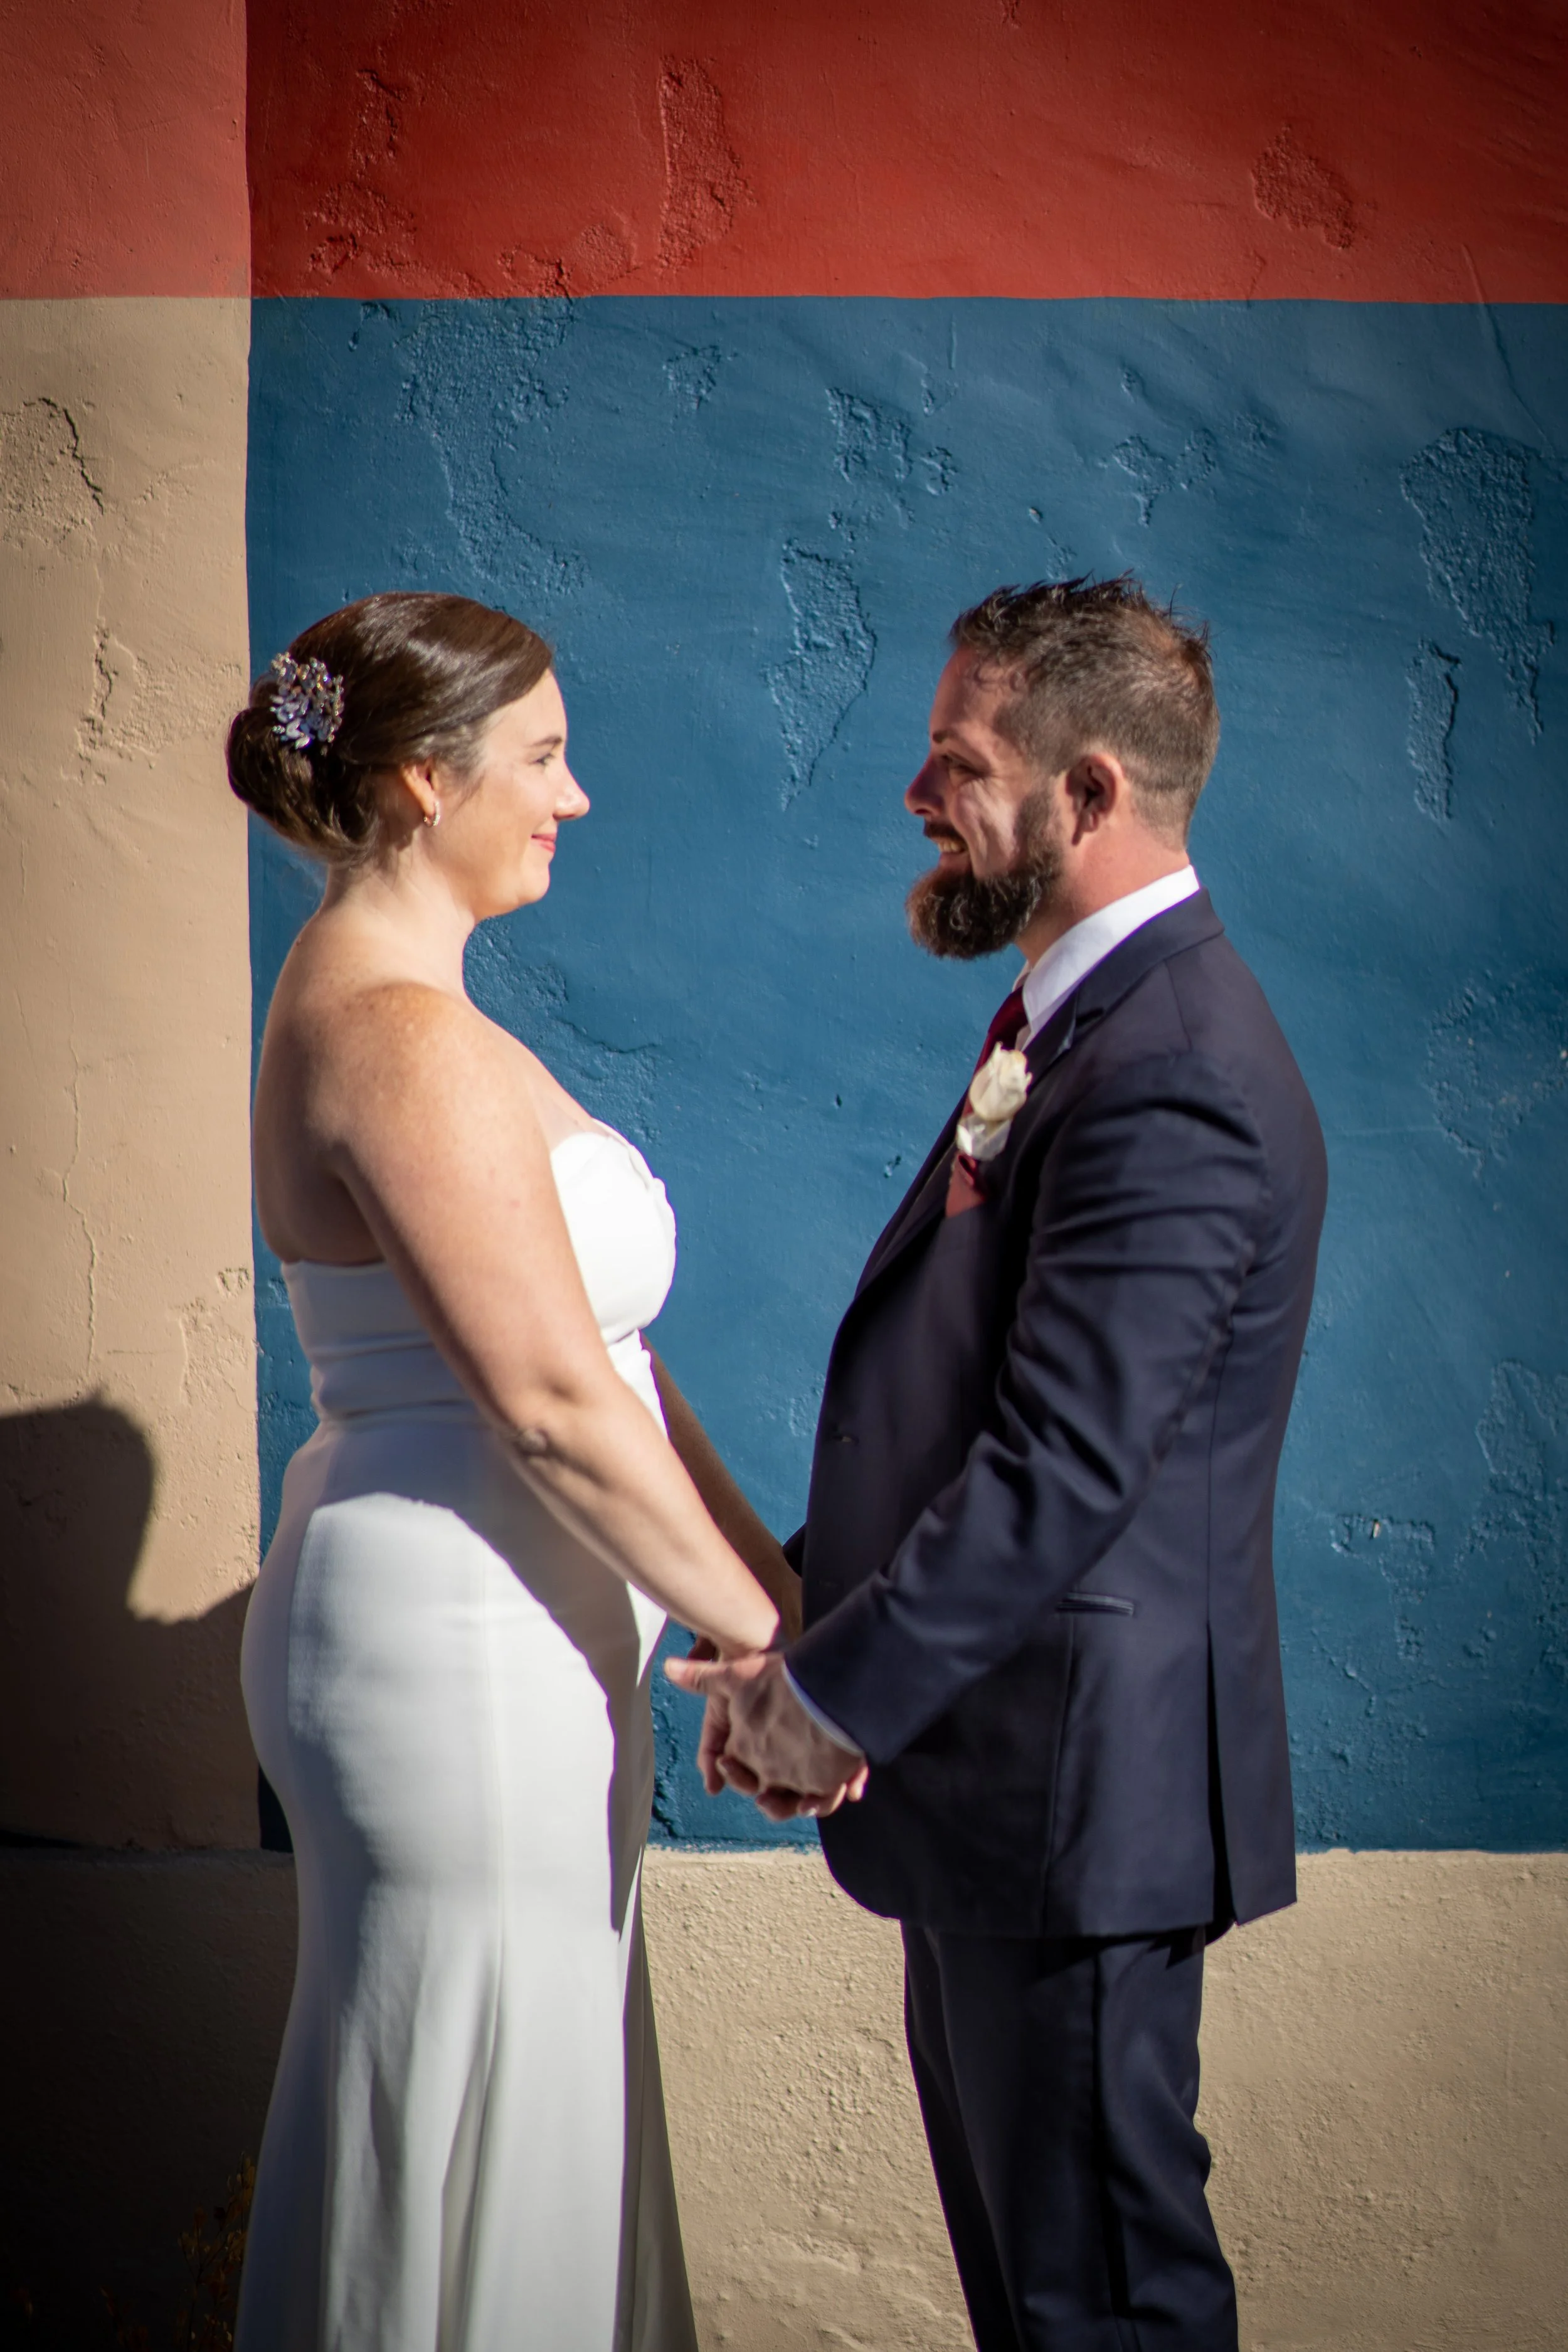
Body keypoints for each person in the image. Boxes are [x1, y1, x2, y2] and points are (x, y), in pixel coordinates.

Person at [670, 577, 1327, 2350]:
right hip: (1005, 1786)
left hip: (1074, 1800)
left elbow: (1064, 1460)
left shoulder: (1173, 1064)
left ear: (1089, 792)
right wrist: (804, 1641)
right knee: (1044, 2307)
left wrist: (838, 1696)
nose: (914, 794)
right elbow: (970, 1412)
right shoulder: (1079, 1027)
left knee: (1100, 2307)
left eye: (956, 761)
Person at [228, 592, 796, 2352]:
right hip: (456, 1649)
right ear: (420, 781)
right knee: (476, 2093)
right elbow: (546, 1396)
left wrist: (775, 1592)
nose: (576, 797)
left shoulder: (431, 1014)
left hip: (523, 1630)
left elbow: (613, 1356)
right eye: (542, 758)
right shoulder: (393, 1033)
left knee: (541, 2090)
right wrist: (782, 1660)